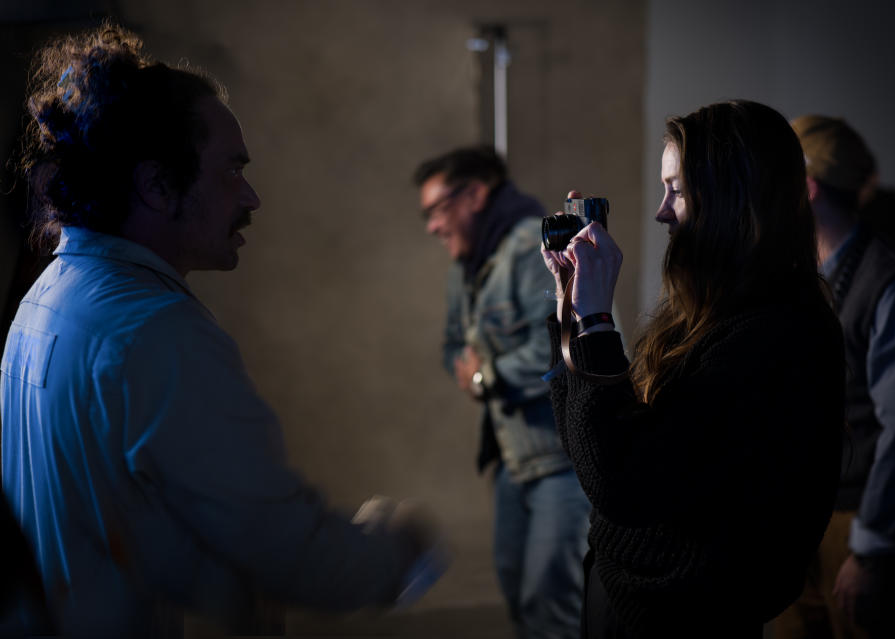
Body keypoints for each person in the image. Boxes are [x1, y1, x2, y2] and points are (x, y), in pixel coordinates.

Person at [1, 23, 442, 637]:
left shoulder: (48, 297)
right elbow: (283, 545)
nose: (253, 196)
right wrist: (396, 551)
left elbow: (106, 509)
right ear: (157, 185)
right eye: (232, 171)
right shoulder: (155, 333)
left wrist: (217, 584)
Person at [540, 100, 846, 637]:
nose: (661, 211)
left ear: (732, 198)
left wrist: (596, 319)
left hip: (680, 616)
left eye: (676, 190)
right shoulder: (707, 310)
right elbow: (588, 446)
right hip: (631, 592)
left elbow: (621, 483)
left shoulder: (774, 332)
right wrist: (570, 310)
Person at [773, 115, 895, 639]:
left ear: (806, 189)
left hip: (861, 525)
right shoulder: (799, 272)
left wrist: (870, 552)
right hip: (803, 519)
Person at [414, 146, 591, 638]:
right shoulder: (466, 267)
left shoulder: (528, 248)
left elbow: (559, 350)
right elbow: (453, 343)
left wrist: (483, 377)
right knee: (519, 595)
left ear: (474, 195)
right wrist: (468, 369)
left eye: (436, 210)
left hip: (559, 461)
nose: (431, 226)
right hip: (513, 461)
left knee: (550, 604)